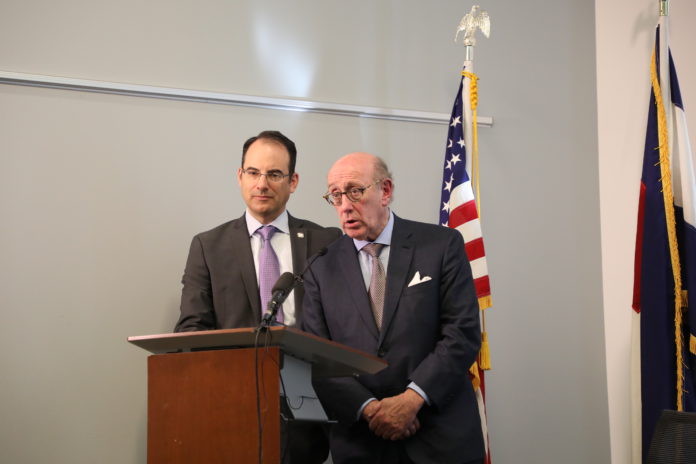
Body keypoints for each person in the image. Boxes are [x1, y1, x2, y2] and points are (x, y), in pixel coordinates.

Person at [301, 152, 485, 464]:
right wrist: (372, 409)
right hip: (363, 443)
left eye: (355, 191)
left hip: (440, 438)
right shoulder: (320, 266)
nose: (344, 204)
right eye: (335, 195)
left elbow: (462, 333)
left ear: (385, 191)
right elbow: (319, 359)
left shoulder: (441, 245)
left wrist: (413, 399)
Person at [175, 130, 341, 463]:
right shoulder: (209, 246)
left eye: (274, 174)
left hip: (308, 412)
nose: (262, 183)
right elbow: (191, 330)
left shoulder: (326, 242)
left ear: (293, 181)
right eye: (253, 172)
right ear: (240, 177)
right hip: (233, 408)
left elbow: (343, 325)